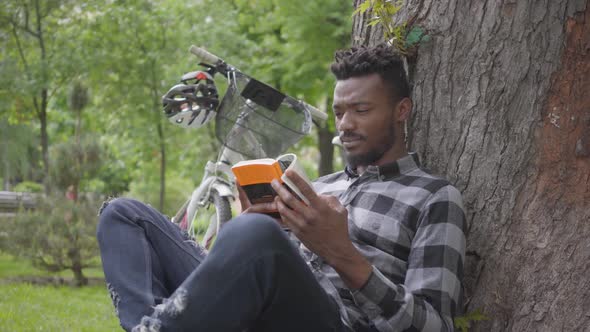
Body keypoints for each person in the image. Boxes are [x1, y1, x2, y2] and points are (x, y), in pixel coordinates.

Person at [97, 43, 466, 332]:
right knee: (124, 215)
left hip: (336, 323)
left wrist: (342, 254)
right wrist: (259, 231)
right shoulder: (321, 187)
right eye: (339, 112)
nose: (346, 125)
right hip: (262, 310)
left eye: (362, 110)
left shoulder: (434, 196)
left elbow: (435, 326)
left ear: (402, 110)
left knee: (254, 234)